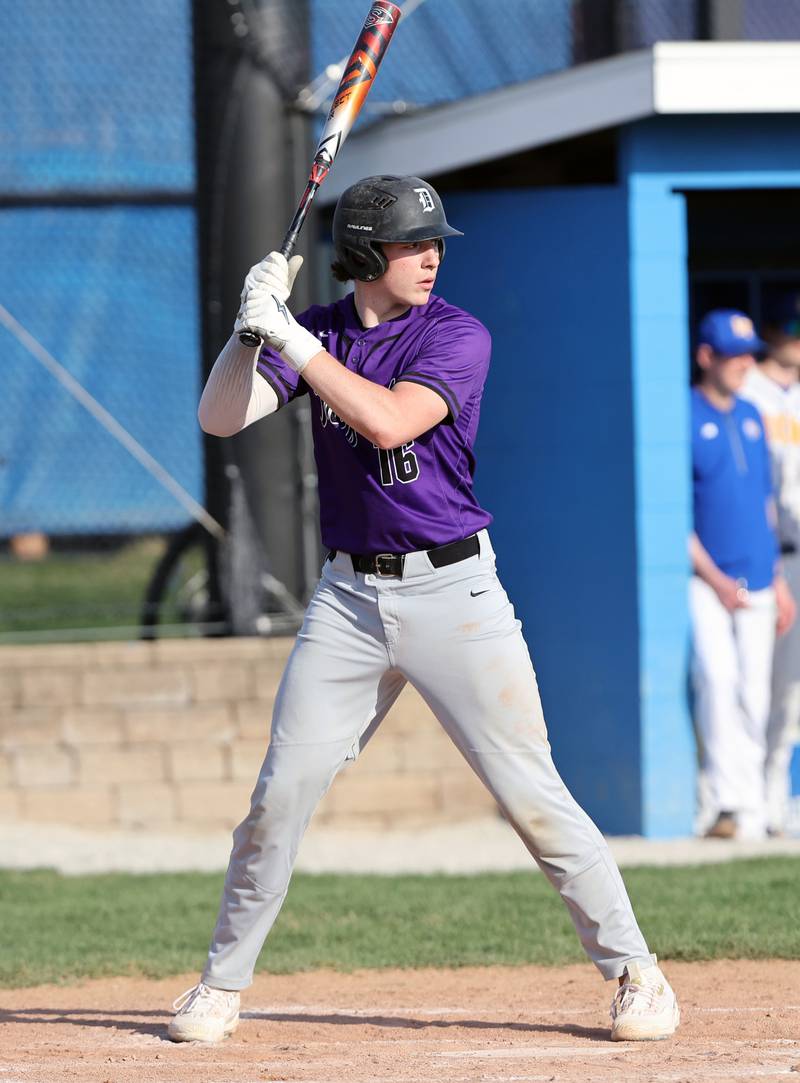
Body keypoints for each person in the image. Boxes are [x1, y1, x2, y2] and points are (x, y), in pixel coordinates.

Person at [167, 175, 679, 1044]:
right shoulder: (320, 332)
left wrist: (292, 337)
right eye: (412, 243)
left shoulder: (456, 334)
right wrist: (250, 332)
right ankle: (220, 984)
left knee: (531, 793)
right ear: (367, 253)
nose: (431, 255)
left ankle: (637, 972)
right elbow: (221, 419)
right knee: (279, 796)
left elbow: (388, 422)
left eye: (434, 241)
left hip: (456, 594)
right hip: (348, 600)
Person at [689, 309, 794, 841]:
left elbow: (766, 504)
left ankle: (751, 806)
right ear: (707, 357)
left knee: (755, 691)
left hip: (759, 576)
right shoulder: (685, 414)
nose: (744, 363)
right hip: (707, 581)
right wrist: (713, 577)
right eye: (733, 355)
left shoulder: (753, 414)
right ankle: (723, 802)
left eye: (748, 353)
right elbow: (676, 517)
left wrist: (776, 578)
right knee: (716, 681)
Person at [739, 289, 800, 835]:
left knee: (793, 692)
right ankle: (756, 800)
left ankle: (780, 798)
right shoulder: (751, 390)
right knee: (762, 685)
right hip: (773, 556)